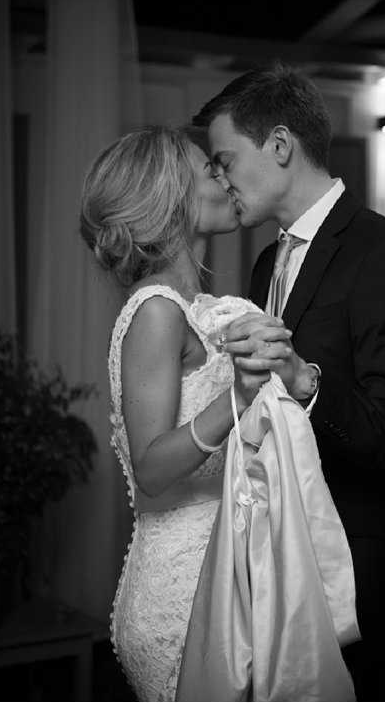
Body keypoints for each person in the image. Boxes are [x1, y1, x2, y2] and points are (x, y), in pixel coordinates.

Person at [193, 63, 385, 702]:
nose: (218, 178)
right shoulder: (268, 264)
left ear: (279, 146)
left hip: (351, 584)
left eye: (224, 159)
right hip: (274, 584)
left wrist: (306, 382)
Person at [79, 126, 317, 702]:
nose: (224, 176)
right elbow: (151, 469)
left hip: (229, 573)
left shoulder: (203, 310)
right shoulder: (157, 310)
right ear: (171, 197)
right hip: (183, 594)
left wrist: (293, 374)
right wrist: (236, 396)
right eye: (208, 170)